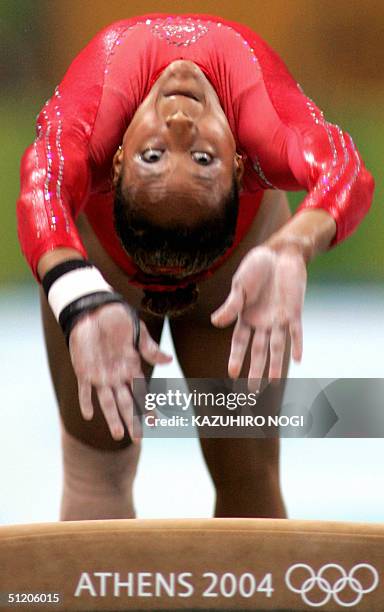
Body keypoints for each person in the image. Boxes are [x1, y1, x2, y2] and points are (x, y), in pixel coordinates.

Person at [17, 13, 374, 521]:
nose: (180, 126)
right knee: (97, 476)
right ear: (241, 165)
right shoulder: (264, 135)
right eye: (201, 157)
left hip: (233, 277)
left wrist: (76, 299)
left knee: (245, 475)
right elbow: (346, 172)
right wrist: (291, 246)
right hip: (128, 276)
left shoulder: (94, 121)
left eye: (155, 156)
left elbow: (41, 184)